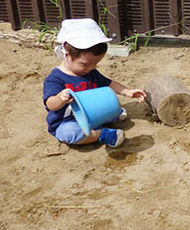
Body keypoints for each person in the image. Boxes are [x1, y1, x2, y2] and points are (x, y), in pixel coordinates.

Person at [43, 18, 146, 148]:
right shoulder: (56, 79)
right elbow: (50, 104)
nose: (91, 68)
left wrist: (127, 91)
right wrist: (60, 98)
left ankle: (111, 115)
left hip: (94, 113)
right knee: (68, 134)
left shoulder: (90, 72)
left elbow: (108, 83)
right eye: (85, 64)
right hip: (69, 121)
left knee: (110, 107)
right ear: (67, 55)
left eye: (95, 64)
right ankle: (102, 134)